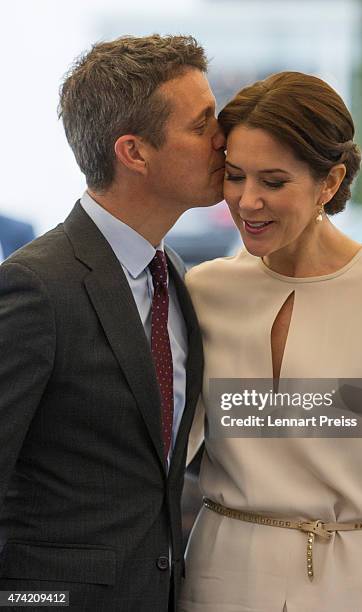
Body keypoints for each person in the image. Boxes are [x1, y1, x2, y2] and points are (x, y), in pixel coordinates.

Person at [179, 72, 362, 611]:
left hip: (356, 586)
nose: (247, 201)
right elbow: (166, 453)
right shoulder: (205, 288)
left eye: (274, 181)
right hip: (219, 581)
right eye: (235, 176)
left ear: (329, 183)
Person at [0, 34, 225, 612]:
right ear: (134, 152)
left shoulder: (174, 273)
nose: (224, 141)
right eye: (202, 125)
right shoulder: (35, 286)